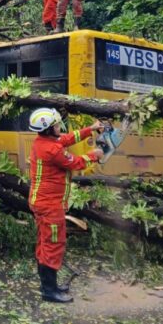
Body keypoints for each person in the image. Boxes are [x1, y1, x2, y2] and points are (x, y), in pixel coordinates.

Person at [27, 107, 104, 303]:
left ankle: (48, 286)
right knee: (53, 244)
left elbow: (68, 138)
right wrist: (94, 155)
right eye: (56, 125)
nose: (59, 127)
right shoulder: (51, 149)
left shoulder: (45, 141)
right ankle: (49, 291)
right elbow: (76, 162)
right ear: (47, 129)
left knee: (45, 244)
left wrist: (91, 128)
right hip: (49, 206)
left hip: (44, 203)